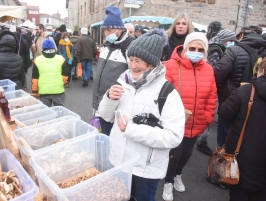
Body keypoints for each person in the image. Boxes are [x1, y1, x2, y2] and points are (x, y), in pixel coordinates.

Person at [98, 28, 185, 201]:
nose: (133, 65)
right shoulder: (123, 81)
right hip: (119, 162)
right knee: (118, 197)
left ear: (152, 63)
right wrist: (109, 99)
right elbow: (105, 116)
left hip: (146, 168)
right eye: (130, 60)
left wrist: (131, 130)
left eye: (138, 60)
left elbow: (173, 137)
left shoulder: (167, 92)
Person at [162, 32, 217, 201]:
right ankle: (168, 181)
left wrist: (207, 117)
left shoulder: (208, 69)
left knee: (186, 154)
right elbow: (162, 93)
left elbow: (212, 96)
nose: (196, 51)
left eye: (200, 49)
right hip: (175, 122)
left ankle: (178, 174)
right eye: (192, 48)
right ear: (185, 48)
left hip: (196, 121)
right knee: (175, 155)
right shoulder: (171, 66)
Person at [219, 57, 266, 201]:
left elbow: (224, 112)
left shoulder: (246, 91)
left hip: (243, 158)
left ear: (261, 70)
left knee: (239, 194)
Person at [214, 26, 266, 147]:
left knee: (226, 125)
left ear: (242, 36)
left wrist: (222, 89)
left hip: (231, 95)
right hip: (258, 99)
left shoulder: (234, 50)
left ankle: (223, 154)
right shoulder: (263, 51)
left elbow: (219, 73)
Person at [93, 6, 135, 136]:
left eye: (109, 30)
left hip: (117, 105)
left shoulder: (130, 47)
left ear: (119, 28)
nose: (106, 34)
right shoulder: (106, 46)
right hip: (100, 102)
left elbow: (134, 78)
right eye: (104, 30)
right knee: (102, 137)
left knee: (113, 140)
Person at [196, 29, 236, 156]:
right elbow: (212, 70)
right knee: (203, 112)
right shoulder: (216, 48)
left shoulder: (214, 45)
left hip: (205, 85)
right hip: (206, 85)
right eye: (230, 40)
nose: (231, 43)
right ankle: (201, 141)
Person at [32, 39, 68, 107]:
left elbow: (35, 78)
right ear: (54, 48)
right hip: (58, 90)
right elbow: (65, 75)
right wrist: (62, 82)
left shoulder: (37, 60)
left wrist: (35, 91)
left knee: (46, 113)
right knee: (60, 112)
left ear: (43, 49)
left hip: (44, 91)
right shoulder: (61, 59)